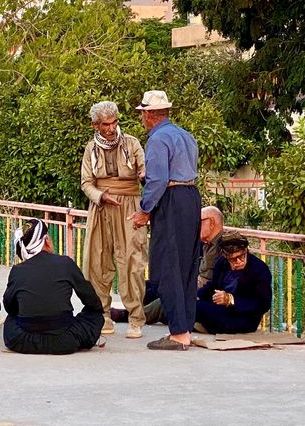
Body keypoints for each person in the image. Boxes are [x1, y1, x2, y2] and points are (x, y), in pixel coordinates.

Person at [129, 90, 201, 351]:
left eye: (142, 114)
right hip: (191, 196)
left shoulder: (158, 139)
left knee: (168, 265)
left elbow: (158, 179)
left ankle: (178, 333)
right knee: (187, 266)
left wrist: (145, 210)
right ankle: (186, 328)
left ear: (148, 115)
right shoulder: (185, 135)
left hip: (171, 199)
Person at [81, 101, 147, 339]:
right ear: (95, 125)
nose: (111, 128)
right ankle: (103, 316)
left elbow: (144, 170)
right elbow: (86, 182)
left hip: (129, 206)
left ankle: (136, 318)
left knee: (132, 260)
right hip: (101, 208)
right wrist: (101, 196)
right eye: (105, 124)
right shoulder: (91, 149)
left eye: (114, 122)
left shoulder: (132, 143)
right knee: (97, 262)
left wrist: (143, 175)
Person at [3, 219, 104, 355]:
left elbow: (10, 307)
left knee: (11, 319)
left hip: (24, 341)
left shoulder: (17, 270)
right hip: (64, 341)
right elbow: (91, 300)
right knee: (96, 315)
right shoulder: (65, 263)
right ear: (46, 241)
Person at [111, 206, 224, 324]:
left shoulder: (224, 247)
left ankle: (127, 316)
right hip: (190, 284)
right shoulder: (204, 244)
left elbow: (217, 282)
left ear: (211, 222)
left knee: (168, 299)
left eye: (198, 222)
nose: (194, 226)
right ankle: (130, 309)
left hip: (204, 293)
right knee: (149, 286)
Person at [195, 232, 272, 334]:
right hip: (221, 310)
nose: (239, 261)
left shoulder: (259, 268)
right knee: (189, 305)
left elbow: (263, 304)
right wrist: (194, 295)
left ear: (246, 251)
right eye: (233, 259)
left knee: (198, 308)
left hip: (244, 317)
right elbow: (212, 287)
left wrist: (230, 299)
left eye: (242, 256)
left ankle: (201, 325)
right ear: (226, 256)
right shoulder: (221, 263)